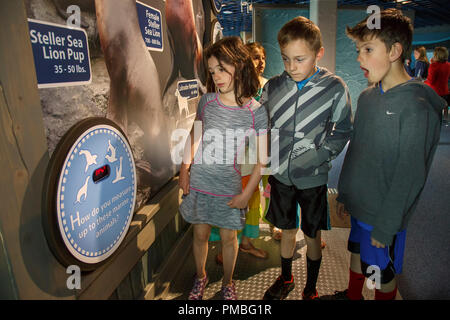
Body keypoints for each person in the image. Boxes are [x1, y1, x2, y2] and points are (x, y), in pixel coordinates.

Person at [324, 8, 445, 301]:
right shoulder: (367, 96)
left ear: (394, 51)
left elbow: (410, 174)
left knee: (379, 272)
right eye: (357, 50)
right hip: (360, 204)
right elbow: (358, 150)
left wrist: (387, 225)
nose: (359, 58)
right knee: (356, 254)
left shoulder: (416, 107)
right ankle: (352, 296)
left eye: (367, 49)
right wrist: (345, 195)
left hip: (383, 215)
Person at [260, 16, 353, 300]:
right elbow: (262, 126)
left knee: (313, 234)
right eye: (285, 59)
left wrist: (320, 156)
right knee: (286, 230)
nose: (291, 67)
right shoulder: (272, 87)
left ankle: (310, 288)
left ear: (318, 54)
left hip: (313, 177)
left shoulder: (334, 87)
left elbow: (343, 129)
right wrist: (266, 156)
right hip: (280, 175)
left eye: (299, 59)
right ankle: (286, 278)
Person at [178, 36, 268, 300]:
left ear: (238, 65)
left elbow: (262, 160)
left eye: (221, 69)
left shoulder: (256, 111)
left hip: (230, 186)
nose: (216, 76)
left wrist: (245, 194)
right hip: (201, 183)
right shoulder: (207, 102)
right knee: (200, 234)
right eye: (212, 71)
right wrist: (184, 170)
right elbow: (194, 135)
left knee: (229, 239)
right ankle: (201, 277)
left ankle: (228, 282)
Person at [211, 41, 270, 262]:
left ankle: (245, 243)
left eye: (261, 58)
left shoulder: (264, 87)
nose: (259, 62)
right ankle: (227, 246)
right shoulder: (224, 86)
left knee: (252, 200)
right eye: (253, 57)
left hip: (253, 155)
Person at [425, 46, 450, 123]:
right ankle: (446, 120)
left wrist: (422, 82)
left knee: (437, 115)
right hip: (445, 91)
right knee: (444, 108)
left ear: (436, 55)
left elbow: (430, 81)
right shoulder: (448, 65)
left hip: (435, 93)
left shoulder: (433, 66)